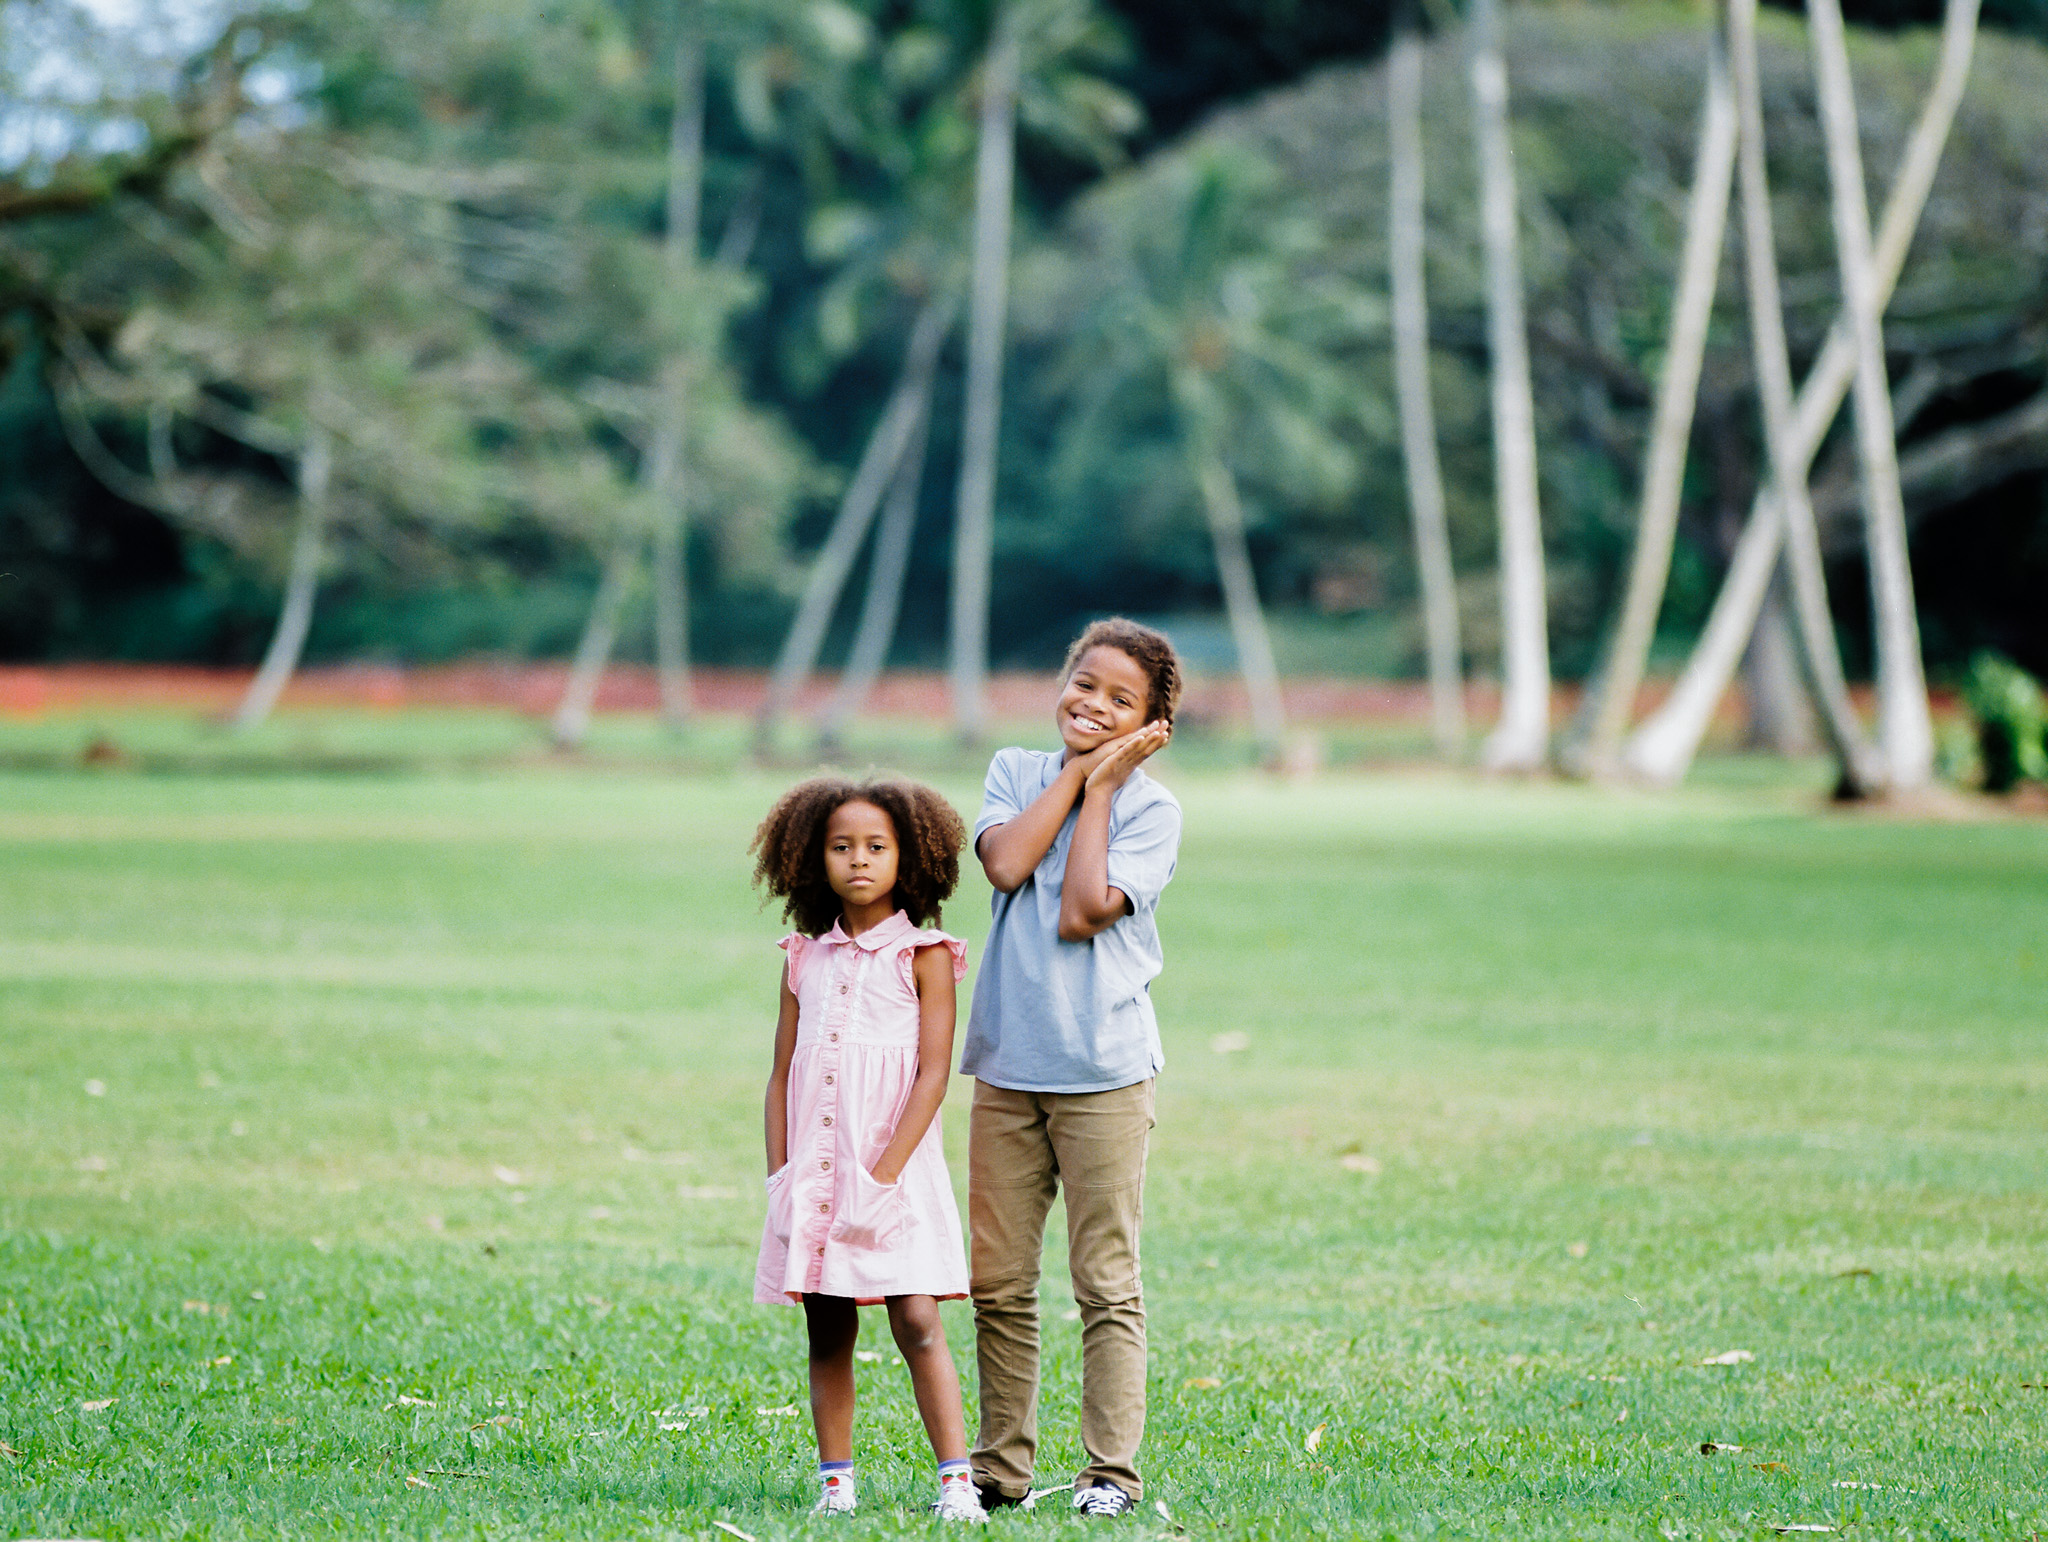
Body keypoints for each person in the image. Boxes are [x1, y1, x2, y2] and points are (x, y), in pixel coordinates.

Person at [963, 617, 1183, 1518]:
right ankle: (998, 1469)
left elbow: (1083, 911)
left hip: (1106, 1072)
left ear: (1150, 726)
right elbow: (1007, 864)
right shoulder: (1015, 771)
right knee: (997, 1282)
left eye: (1120, 699)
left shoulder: (1153, 811)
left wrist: (1105, 791)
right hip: (1007, 1068)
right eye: (1083, 683)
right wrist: (1077, 777)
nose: (1092, 704)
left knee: (1105, 1282)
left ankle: (1110, 1476)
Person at [750, 775, 986, 1522]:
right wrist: (780, 1175)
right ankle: (836, 1485)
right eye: (841, 846)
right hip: (815, 1173)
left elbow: (933, 1076)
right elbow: (781, 1074)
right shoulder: (803, 958)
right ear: (810, 858)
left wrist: (881, 1177)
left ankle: (957, 1484)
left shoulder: (925, 955)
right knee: (828, 1326)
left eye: (877, 847)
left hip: (894, 1171)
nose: (858, 859)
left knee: (916, 1320)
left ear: (909, 857)